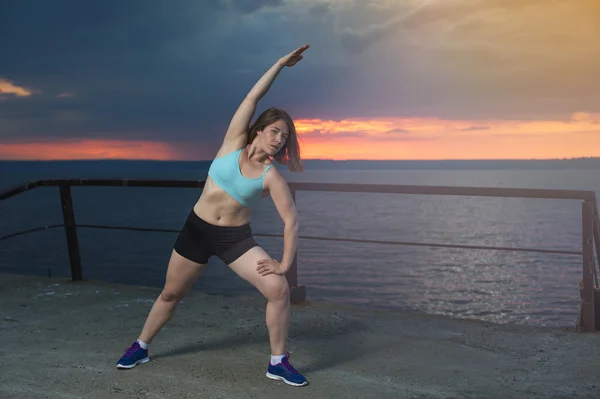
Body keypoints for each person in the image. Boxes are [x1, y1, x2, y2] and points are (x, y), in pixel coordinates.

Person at [115, 44, 311, 387]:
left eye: (285, 136)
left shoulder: (272, 176)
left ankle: (278, 362)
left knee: (278, 288)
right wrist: (280, 64)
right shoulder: (233, 142)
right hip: (196, 230)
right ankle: (141, 345)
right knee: (171, 295)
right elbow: (253, 95)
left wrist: (283, 263)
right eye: (275, 131)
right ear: (260, 129)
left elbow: (291, 221)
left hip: (234, 239)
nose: (280, 140)